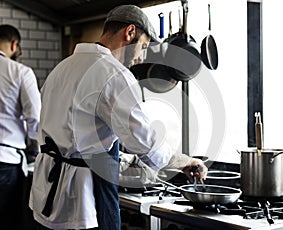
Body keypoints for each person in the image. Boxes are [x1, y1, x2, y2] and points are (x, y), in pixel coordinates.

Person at [29, 5, 207, 230]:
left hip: (47, 194)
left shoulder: (62, 67)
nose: (141, 58)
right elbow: (145, 143)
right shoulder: (113, 74)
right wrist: (185, 161)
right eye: (142, 46)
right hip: (83, 201)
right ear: (129, 32)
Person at [0, 24, 41, 229]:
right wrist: (39, 146)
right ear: (15, 44)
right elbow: (35, 117)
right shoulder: (19, 72)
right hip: (6, 162)